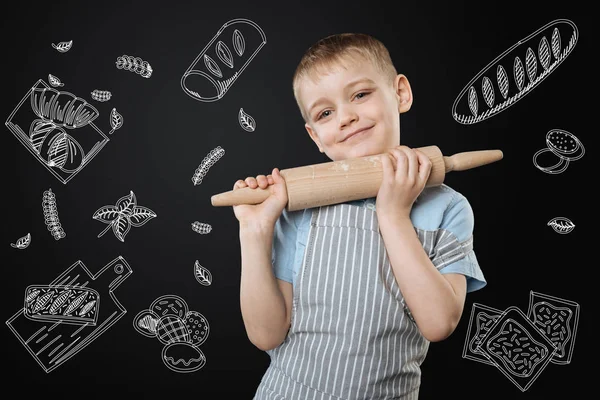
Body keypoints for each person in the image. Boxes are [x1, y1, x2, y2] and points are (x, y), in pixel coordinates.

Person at [232, 33, 487, 399]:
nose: (347, 117)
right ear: (315, 136)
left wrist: (394, 216)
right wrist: (255, 233)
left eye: (360, 95)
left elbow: (439, 323)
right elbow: (266, 335)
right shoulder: (298, 208)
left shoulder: (447, 208)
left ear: (400, 93)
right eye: (325, 113)